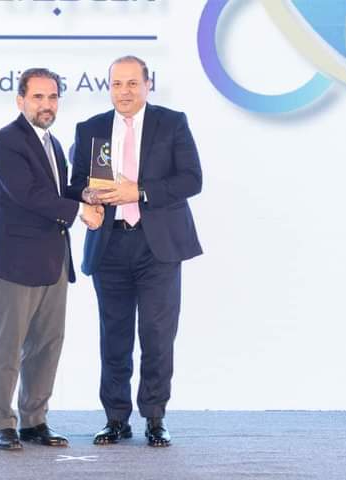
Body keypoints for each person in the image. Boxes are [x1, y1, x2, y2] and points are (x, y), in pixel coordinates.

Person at [67, 56, 203, 447]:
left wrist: (138, 192)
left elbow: (191, 180)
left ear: (147, 85)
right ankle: (115, 419)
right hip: (109, 246)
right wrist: (89, 196)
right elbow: (76, 184)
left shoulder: (171, 123)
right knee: (114, 337)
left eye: (131, 84)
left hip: (157, 246)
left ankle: (155, 417)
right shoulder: (91, 128)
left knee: (158, 335)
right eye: (116, 84)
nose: (124, 92)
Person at [0, 67, 104, 451]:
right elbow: (27, 195)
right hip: (16, 263)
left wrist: (86, 195)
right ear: (20, 100)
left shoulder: (52, 143)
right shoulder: (8, 141)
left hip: (53, 261)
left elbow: (57, 192)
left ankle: (34, 421)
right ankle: (3, 422)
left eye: (52, 97)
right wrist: (80, 211)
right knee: (8, 347)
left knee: (47, 345)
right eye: (38, 97)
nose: (46, 104)